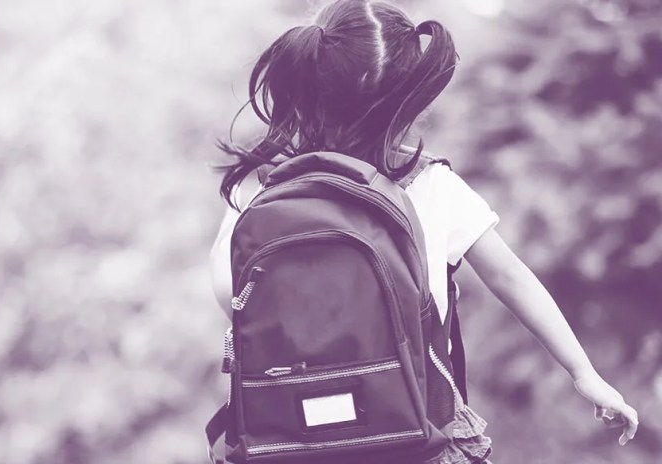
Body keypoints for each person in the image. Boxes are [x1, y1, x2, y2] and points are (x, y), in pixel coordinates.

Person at [208, 1, 639, 462]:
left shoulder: (263, 189)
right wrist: (582, 372)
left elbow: (228, 294)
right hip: (420, 434)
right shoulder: (431, 185)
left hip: (292, 437)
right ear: (406, 102)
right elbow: (511, 278)